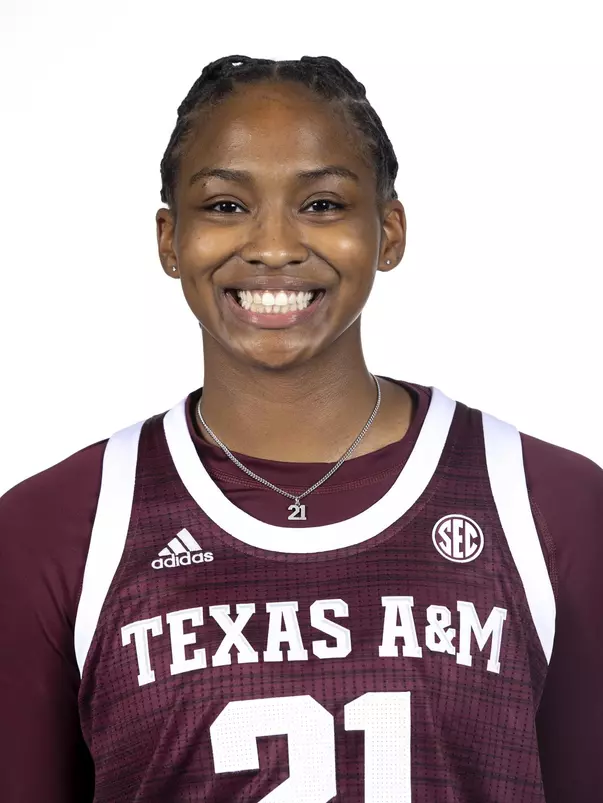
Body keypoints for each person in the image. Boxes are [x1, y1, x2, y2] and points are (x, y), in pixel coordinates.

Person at [0, 53, 601, 803]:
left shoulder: (552, 504)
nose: (274, 245)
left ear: (387, 232)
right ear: (169, 238)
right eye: (224, 205)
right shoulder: (56, 528)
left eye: (321, 204)